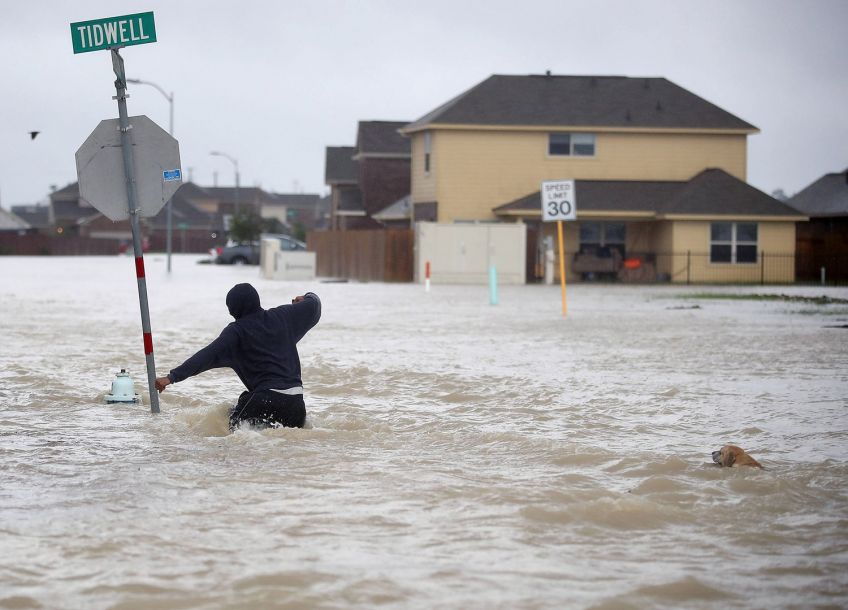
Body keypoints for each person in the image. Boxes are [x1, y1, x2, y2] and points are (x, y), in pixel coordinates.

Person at [155, 283, 321, 430]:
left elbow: (206, 356)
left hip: (265, 401)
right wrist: (307, 296)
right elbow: (315, 305)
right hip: (296, 406)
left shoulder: (236, 333)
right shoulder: (284, 316)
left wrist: (172, 377)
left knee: (234, 435)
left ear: (232, 310)